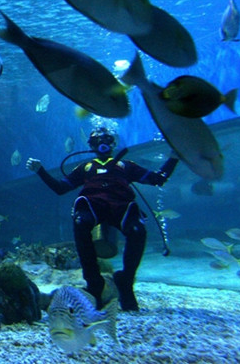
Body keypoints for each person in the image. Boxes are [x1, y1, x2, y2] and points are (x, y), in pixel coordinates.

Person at [26, 127, 179, 311]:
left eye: (107, 139)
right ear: (91, 146)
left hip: (122, 206)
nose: (103, 143)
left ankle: (126, 280)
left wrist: (174, 157)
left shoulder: (126, 165)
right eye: (97, 141)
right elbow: (60, 188)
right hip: (92, 206)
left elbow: (158, 179)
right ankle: (94, 284)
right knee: (81, 222)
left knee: (137, 230)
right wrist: (40, 171)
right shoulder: (85, 167)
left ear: (113, 144)